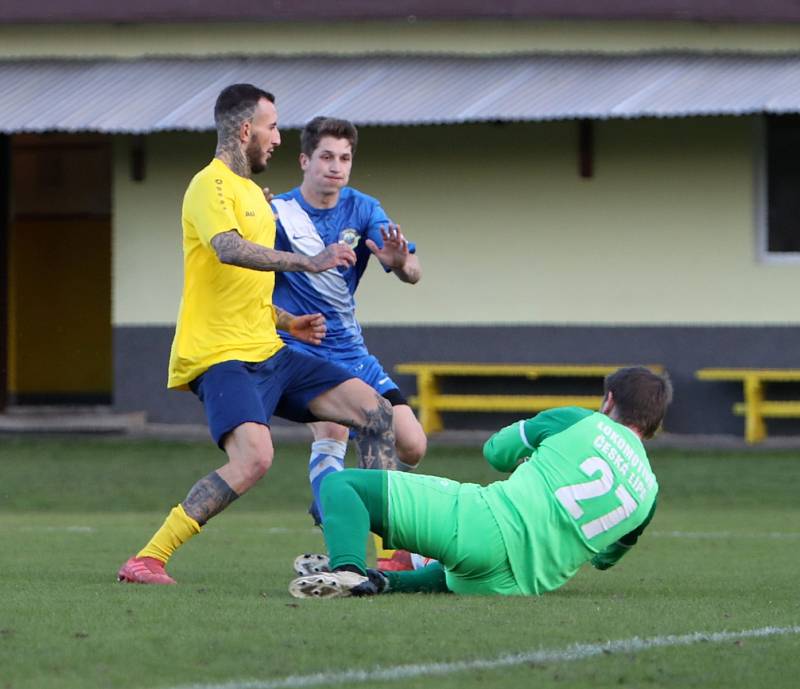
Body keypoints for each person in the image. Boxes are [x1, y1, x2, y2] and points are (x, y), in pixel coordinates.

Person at [117, 84, 403, 585]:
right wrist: (308, 261)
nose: (277, 138)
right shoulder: (209, 185)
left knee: (376, 414)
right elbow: (227, 250)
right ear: (246, 129)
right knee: (254, 459)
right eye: (272, 127)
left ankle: (389, 555)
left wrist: (288, 322)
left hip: (271, 349)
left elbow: (244, 286)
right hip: (221, 356)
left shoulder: (253, 194)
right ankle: (147, 558)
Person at [288, 366, 672, 598]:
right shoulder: (649, 494)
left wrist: (535, 454)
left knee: (343, 487)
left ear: (608, 401)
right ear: (653, 423)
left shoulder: (580, 420)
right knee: (452, 571)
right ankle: (381, 582)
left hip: (483, 527)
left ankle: (349, 570)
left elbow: (496, 453)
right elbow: (605, 559)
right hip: (525, 583)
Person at [271, 116, 427, 569]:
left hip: (353, 351)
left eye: (344, 158)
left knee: (412, 444)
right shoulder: (280, 212)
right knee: (333, 431)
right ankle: (375, 549)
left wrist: (400, 263)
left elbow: (413, 270)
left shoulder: (362, 208)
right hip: (303, 350)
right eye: (326, 157)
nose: (336, 167)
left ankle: (334, 505)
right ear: (305, 160)